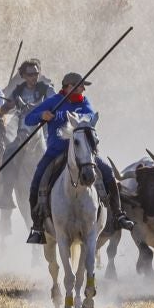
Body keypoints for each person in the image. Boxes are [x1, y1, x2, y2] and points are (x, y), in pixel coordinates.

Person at [24, 72, 130, 244]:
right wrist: (41, 116)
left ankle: (118, 214)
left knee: (108, 173)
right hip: (55, 152)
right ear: (69, 86)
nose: (83, 88)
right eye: (80, 85)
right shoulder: (53, 102)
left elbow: (90, 119)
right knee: (36, 181)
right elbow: (28, 119)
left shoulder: (84, 103)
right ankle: (37, 226)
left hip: (84, 154)